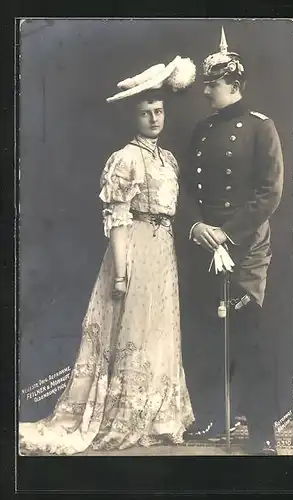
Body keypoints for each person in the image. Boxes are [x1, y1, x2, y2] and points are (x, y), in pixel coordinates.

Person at [19, 55, 196, 455]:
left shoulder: (166, 159)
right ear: (133, 118)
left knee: (158, 331)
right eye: (146, 113)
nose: (154, 119)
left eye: (159, 111)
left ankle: (157, 416)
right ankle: (123, 413)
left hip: (162, 251)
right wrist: (120, 272)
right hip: (132, 249)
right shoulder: (126, 159)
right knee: (129, 331)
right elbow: (117, 218)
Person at [179, 27, 284, 455]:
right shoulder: (201, 130)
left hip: (244, 246)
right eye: (205, 83)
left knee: (249, 336)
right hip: (205, 243)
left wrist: (229, 233)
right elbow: (182, 187)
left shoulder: (262, 128)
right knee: (207, 334)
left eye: (213, 84)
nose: (206, 91)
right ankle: (212, 417)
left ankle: (261, 429)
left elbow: (270, 192)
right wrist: (196, 226)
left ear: (234, 86)